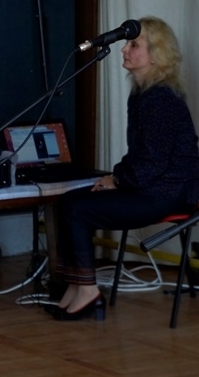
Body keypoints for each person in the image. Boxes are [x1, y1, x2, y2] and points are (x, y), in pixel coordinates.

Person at [51, 16, 199, 321]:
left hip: (168, 193)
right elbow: (140, 156)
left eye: (134, 45)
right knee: (66, 202)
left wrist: (116, 180)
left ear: (155, 54)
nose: (124, 50)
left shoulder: (160, 98)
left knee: (75, 209)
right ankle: (76, 284)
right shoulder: (142, 94)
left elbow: (153, 163)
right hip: (150, 187)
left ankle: (88, 292)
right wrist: (113, 177)